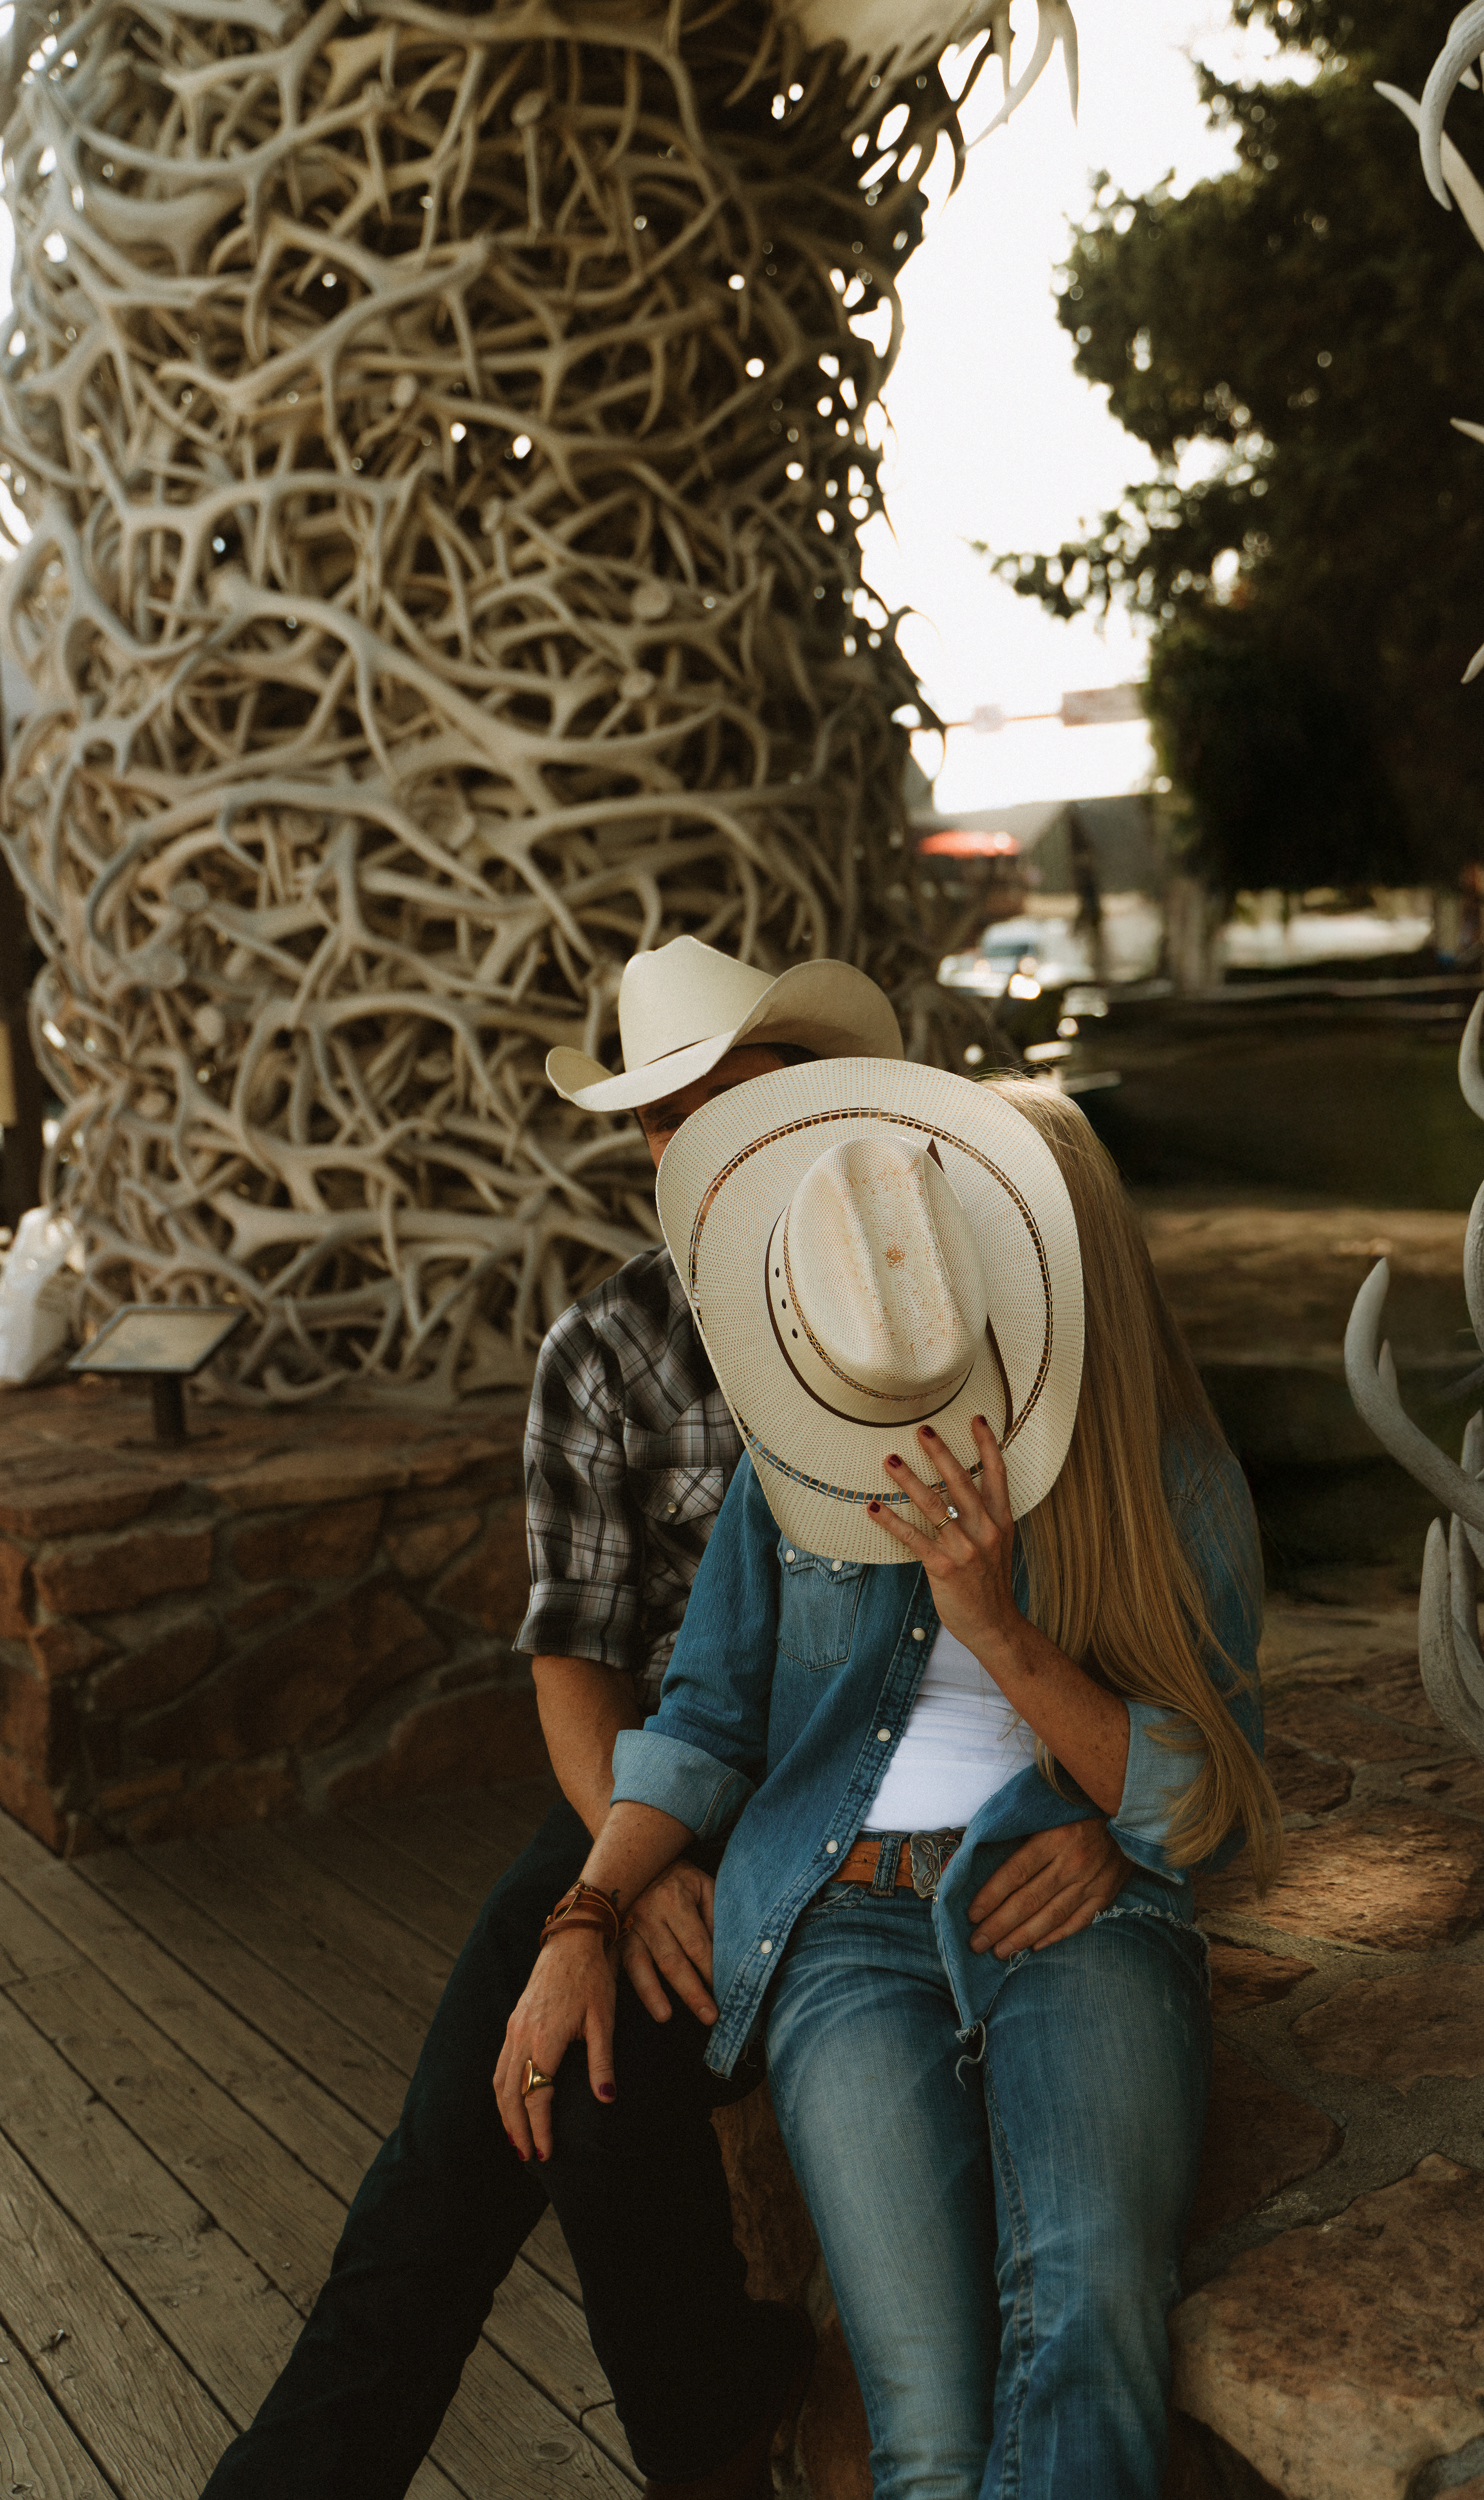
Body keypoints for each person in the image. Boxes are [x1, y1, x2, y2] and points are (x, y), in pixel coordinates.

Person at [202, 939, 1127, 2500]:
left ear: (812, 1095)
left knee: (578, 2067)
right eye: (661, 1118)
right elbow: (582, 1658)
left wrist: (1099, 1795)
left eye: (727, 1098)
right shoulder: (606, 1351)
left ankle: (701, 2442)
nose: (694, 1141)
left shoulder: (940, 1300)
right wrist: (626, 1872)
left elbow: (1101, 1602)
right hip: (676, 1790)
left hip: (882, 1794)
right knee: (525, 2064)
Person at [495, 1059, 1284, 2500]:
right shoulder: (801, 1464)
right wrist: (584, 1914)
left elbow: (1204, 1804)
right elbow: (705, 1720)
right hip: (842, 1919)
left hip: (1074, 1907)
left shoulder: (1173, 1482)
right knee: (926, 2422)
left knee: (1089, 2329)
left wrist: (1002, 1635)